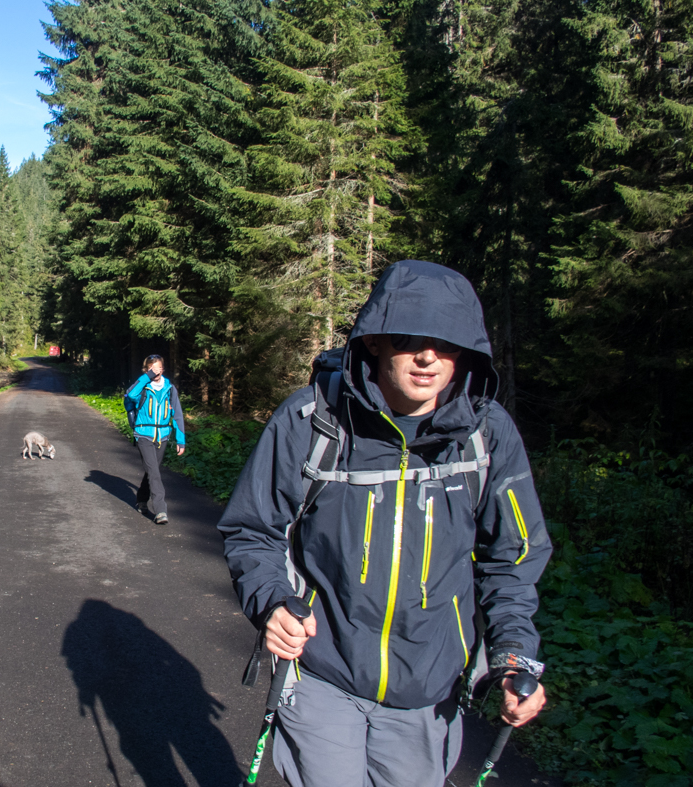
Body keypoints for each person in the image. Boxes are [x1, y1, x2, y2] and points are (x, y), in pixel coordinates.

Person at [218, 260, 552, 787]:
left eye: (447, 343)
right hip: (321, 672)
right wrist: (272, 601)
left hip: (428, 692)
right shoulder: (313, 420)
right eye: (408, 338)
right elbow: (252, 528)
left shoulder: (487, 437)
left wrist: (513, 654)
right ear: (373, 342)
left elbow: (513, 558)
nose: (427, 356)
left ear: (466, 352)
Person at [124, 355, 186, 525]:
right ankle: (160, 510)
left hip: (163, 436)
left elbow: (178, 415)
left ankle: (141, 499)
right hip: (144, 434)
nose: (156, 371)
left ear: (163, 369)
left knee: (152, 471)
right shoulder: (143, 387)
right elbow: (129, 395)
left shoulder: (170, 388)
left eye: (158, 367)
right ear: (147, 370)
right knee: (154, 472)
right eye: (152, 368)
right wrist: (147, 377)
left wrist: (181, 440)